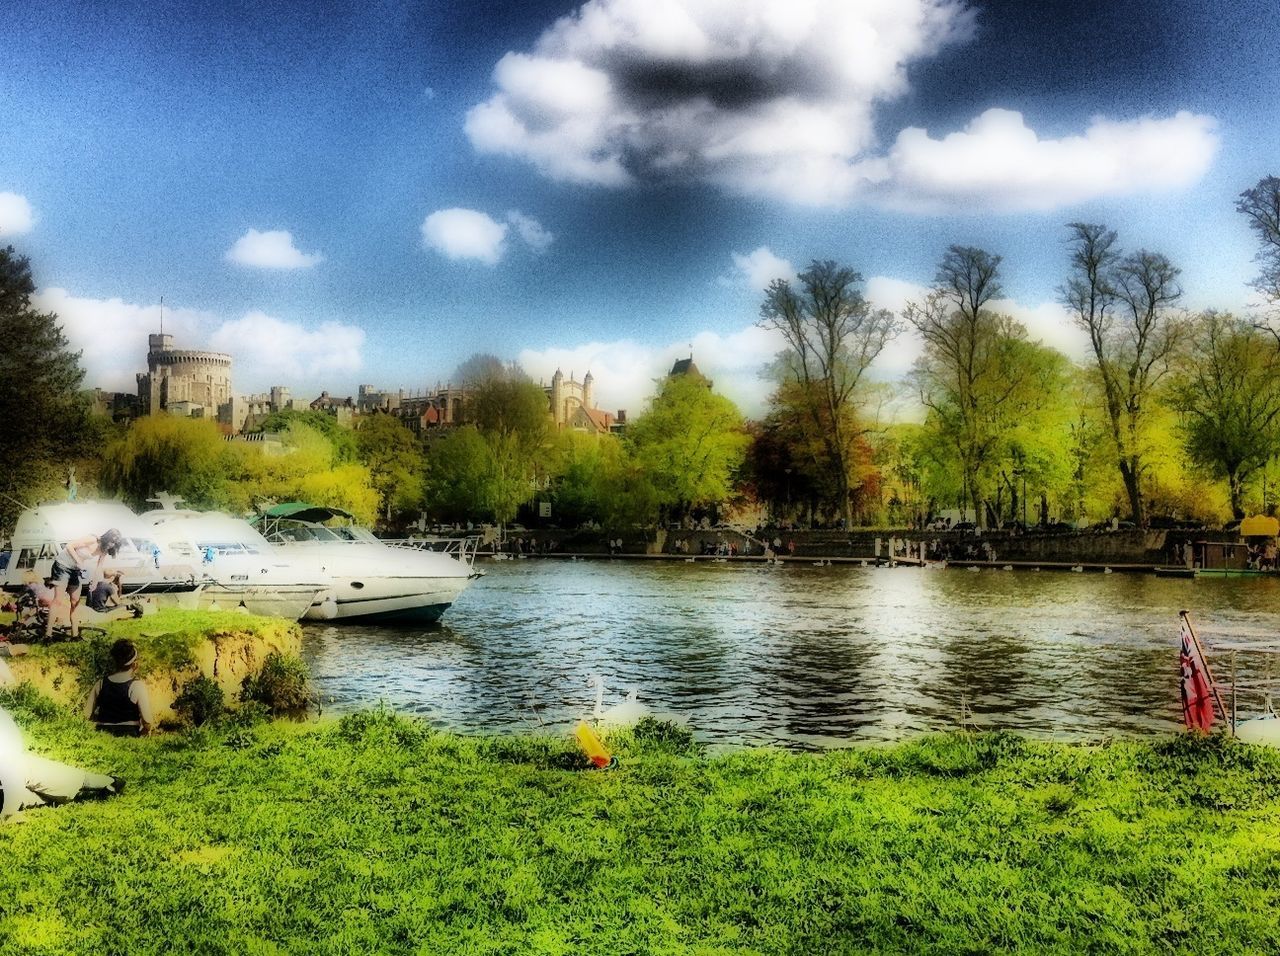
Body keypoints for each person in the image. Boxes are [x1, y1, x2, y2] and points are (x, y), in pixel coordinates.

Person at [1, 705, 123, 819]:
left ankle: (110, 782)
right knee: (33, 795)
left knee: (63, 779)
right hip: (11, 781)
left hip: (20, 771)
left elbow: (13, 766)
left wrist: (8, 813)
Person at [47, 528, 123, 638]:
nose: (112, 545)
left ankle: (75, 635)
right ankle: (48, 635)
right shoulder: (92, 539)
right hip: (62, 566)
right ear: (107, 537)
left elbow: (99, 567)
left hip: (76, 569)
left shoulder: (104, 550)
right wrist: (79, 562)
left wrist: (95, 582)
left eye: (115, 543)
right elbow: (69, 546)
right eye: (111, 541)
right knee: (58, 600)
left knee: (75, 601)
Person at [84, 639, 154, 736]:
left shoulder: (100, 684)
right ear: (135, 664)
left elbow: (86, 714)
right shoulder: (137, 686)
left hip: (102, 733)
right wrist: (144, 732)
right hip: (128, 733)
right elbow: (147, 720)